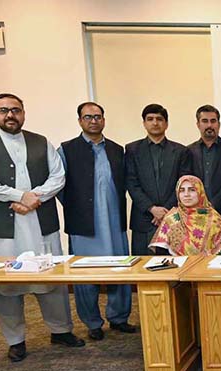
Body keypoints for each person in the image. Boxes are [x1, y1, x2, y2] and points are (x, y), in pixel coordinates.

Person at [0, 93, 83, 362]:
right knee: (6, 285)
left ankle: (61, 330)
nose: (10, 115)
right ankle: (15, 340)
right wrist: (19, 196)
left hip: (40, 221)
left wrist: (34, 198)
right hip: (2, 229)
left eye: (15, 110)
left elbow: (58, 176)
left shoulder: (41, 142)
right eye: (4, 110)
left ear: (23, 112)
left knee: (52, 279)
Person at [59, 102, 134, 341]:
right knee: (85, 274)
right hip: (84, 225)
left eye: (98, 116)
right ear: (80, 120)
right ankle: (92, 322)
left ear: (104, 119)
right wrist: (78, 208)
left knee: (120, 269)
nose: (94, 120)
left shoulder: (116, 149)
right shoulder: (66, 150)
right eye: (88, 117)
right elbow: (59, 187)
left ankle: (119, 317)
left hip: (114, 222)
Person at [125, 103, 192, 255]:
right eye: (150, 119)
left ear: (166, 124)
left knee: (172, 269)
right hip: (143, 219)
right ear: (144, 123)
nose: (155, 123)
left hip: (173, 218)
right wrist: (151, 208)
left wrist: (165, 212)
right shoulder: (132, 150)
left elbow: (183, 185)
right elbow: (131, 183)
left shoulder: (181, 151)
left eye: (159, 119)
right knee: (142, 269)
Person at [149, 175, 221, 256]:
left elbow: (220, 254)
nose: (186, 194)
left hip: (209, 267)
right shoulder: (171, 218)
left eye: (192, 190)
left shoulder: (217, 219)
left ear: (200, 192)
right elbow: (162, 253)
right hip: (177, 267)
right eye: (182, 190)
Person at [187, 105, 221, 220]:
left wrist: (213, 204)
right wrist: (199, 204)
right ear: (198, 125)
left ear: (219, 124)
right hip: (196, 213)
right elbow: (187, 181)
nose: (209, 125)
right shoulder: (189, 151)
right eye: (205, 121)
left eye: (213, 121)